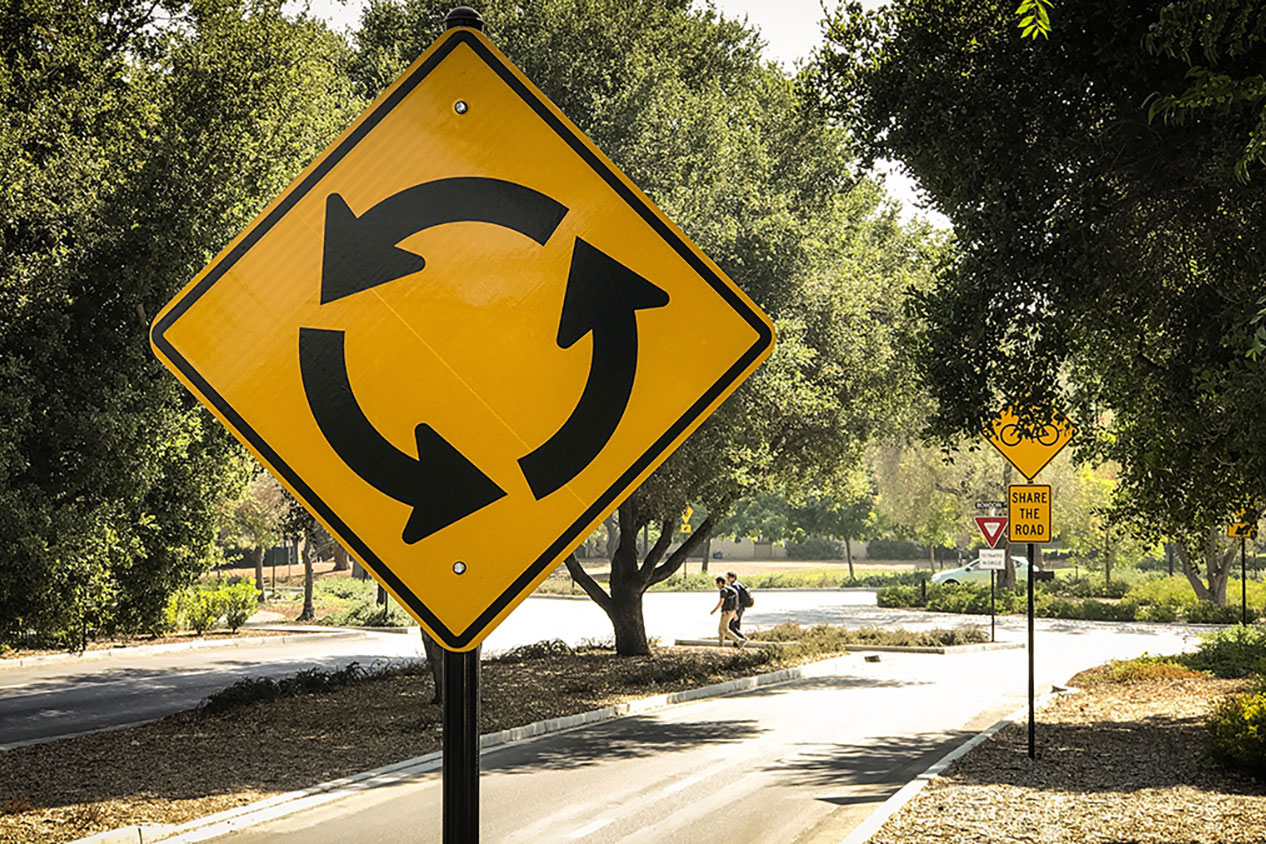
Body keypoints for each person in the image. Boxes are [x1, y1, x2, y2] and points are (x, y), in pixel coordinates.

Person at [710, 576, 746, 647]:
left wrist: (713, 611)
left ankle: (738, 641)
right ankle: (721, 645)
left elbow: (721, 602)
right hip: (731, 611)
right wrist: (734, 613)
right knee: (720, 630)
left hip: (726, 612)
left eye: (717, 583)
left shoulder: (723, 590)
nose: (716, 585)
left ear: (720, 583)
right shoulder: (730, 590)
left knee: (725, 630)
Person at [726, 571, 750, 637]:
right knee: (736, 624)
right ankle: (737, 641)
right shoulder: (738, 584)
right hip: (741, 607)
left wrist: (734, 610)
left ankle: (742, 638)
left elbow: (736, 599)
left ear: (733, 578)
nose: (727, 579)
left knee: (732, 625)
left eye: (728, 577)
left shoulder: (734, 586)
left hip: (738, 607)